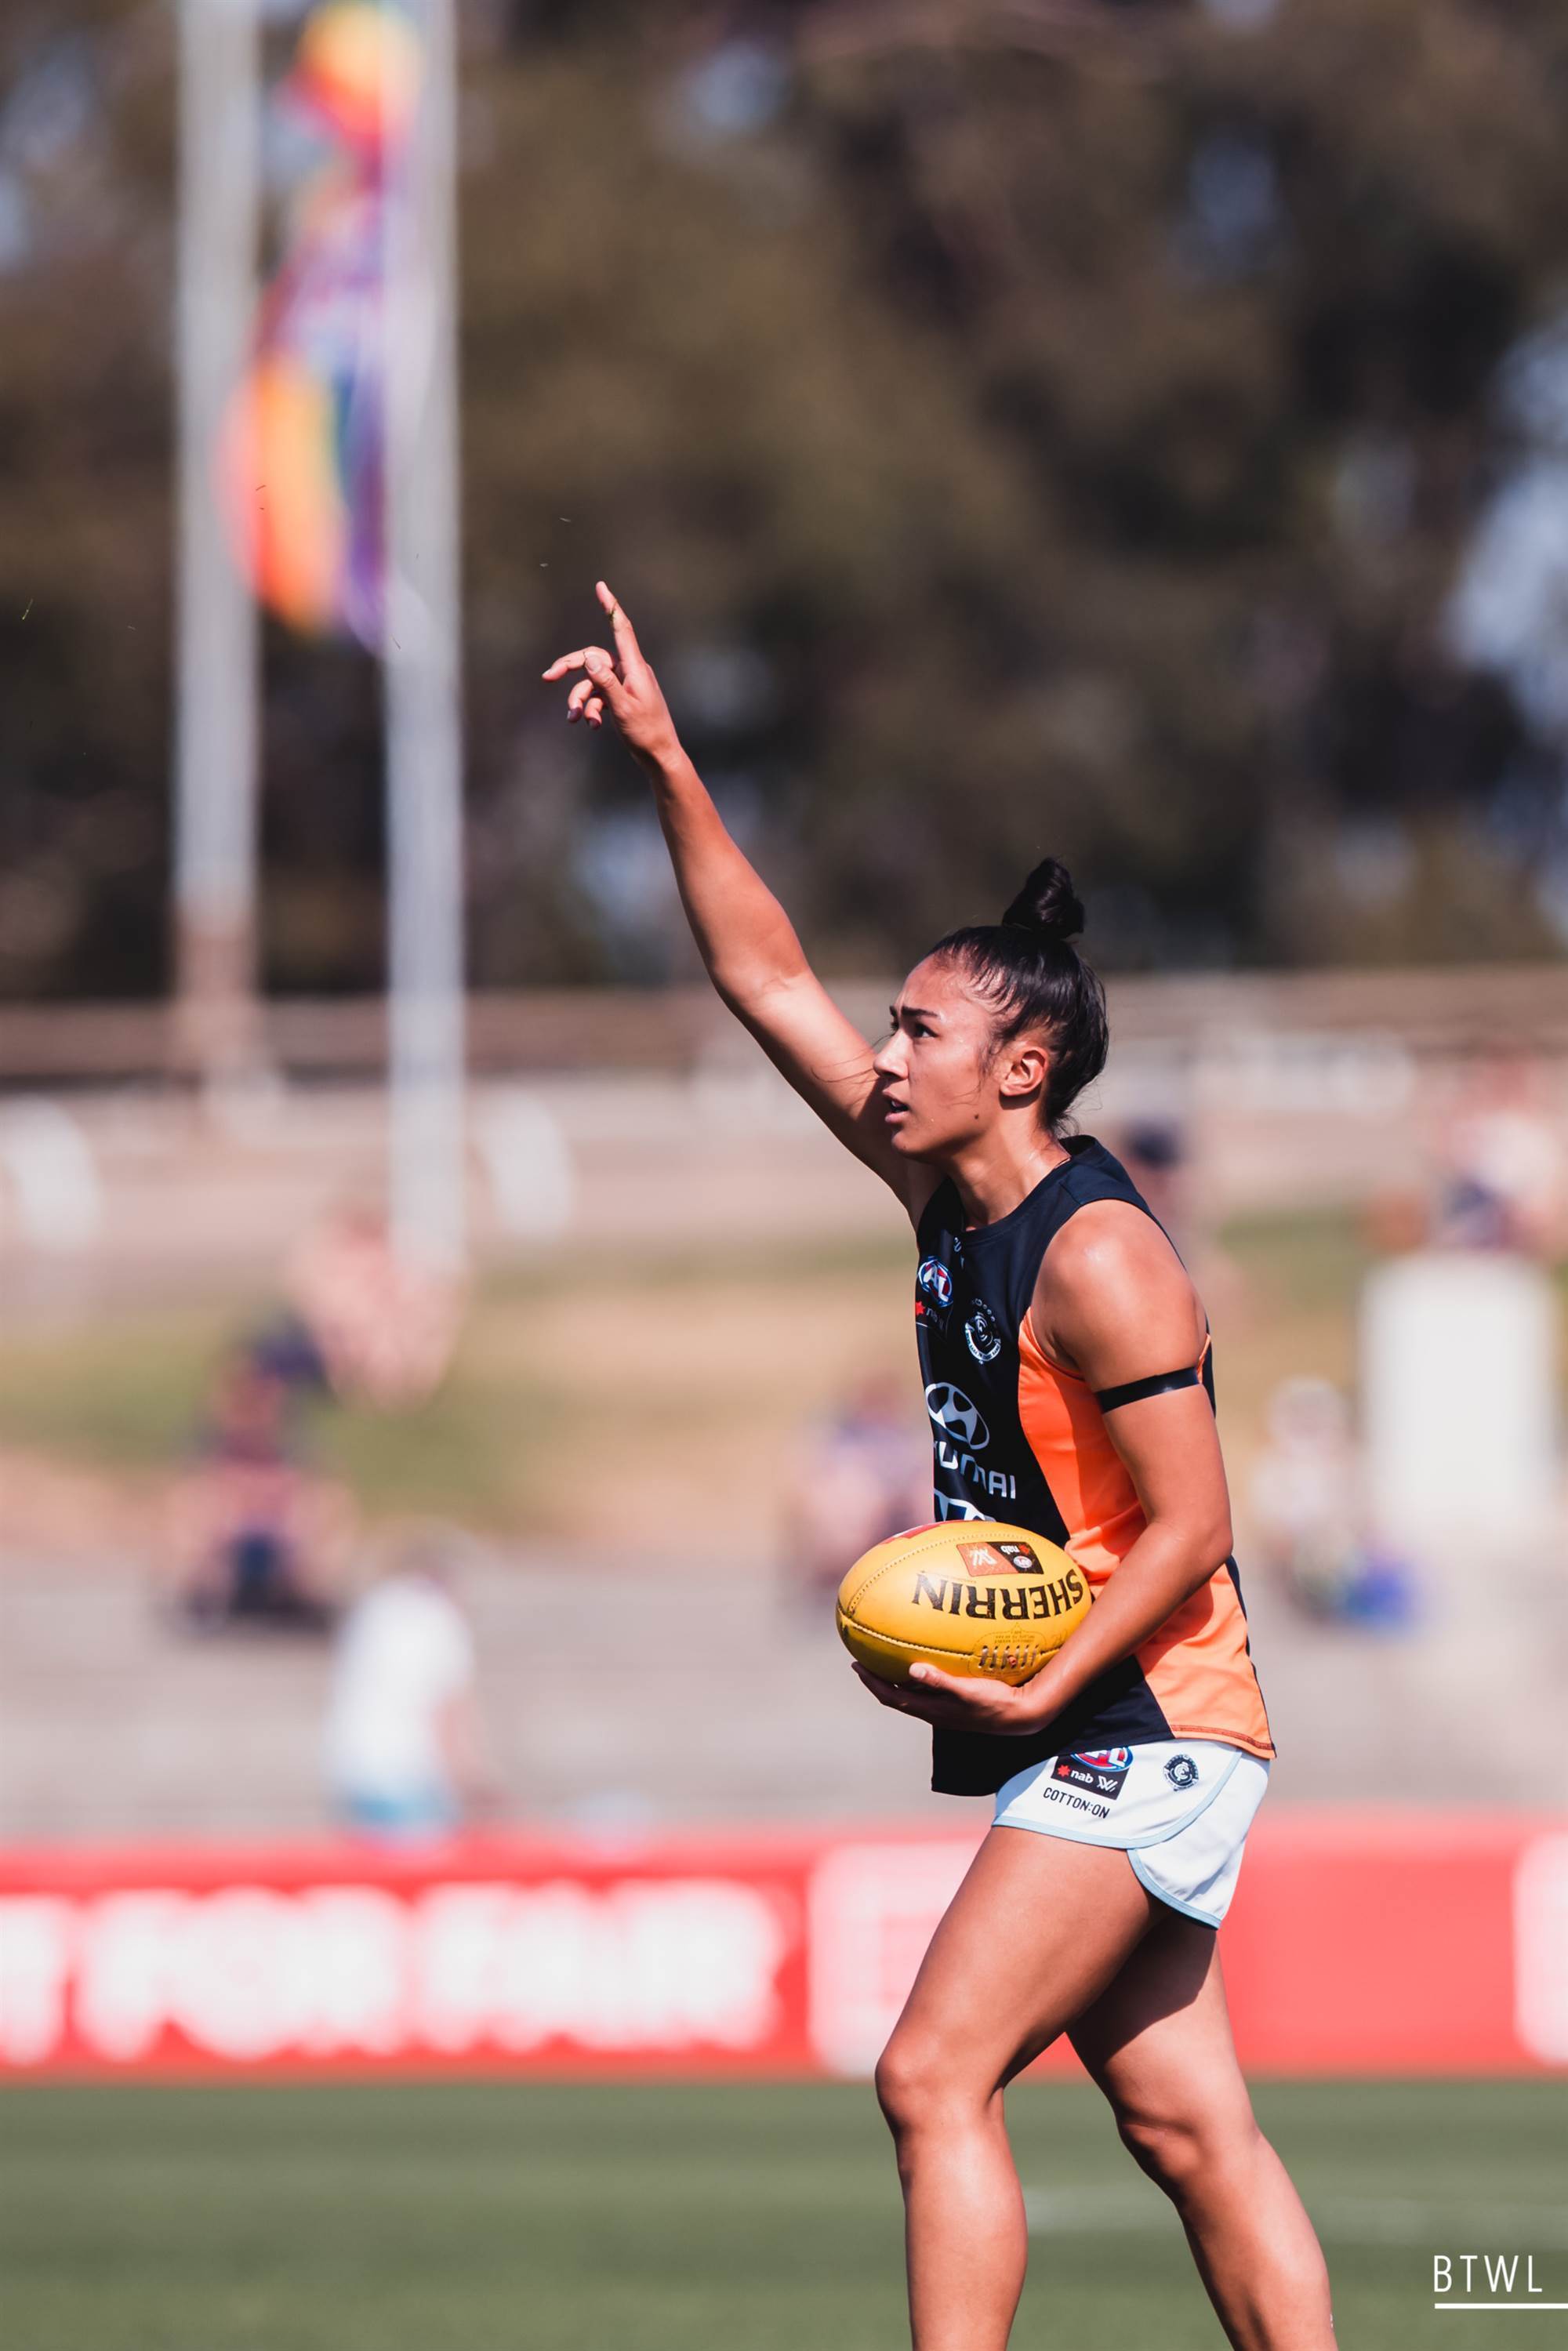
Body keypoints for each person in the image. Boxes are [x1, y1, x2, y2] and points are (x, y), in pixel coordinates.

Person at [545, 584, 1334, 2351]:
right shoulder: (934, 1186)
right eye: (890, 1025)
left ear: (1021, 1067)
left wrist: (1049, 1671)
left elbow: (1201, 1519)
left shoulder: (1101, 1252)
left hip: (1148, 1709)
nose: (884, 1052)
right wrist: (670, 756)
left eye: (919, 1032)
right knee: (1186, 2121)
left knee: (927, 2069)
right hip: (1090, 1711)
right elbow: (759, 971)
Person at [323, 1532, 493, 1839]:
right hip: (413, 1775)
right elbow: (447, 1712)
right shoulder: (439, 1619)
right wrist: (471, 1780)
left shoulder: (374, 1609)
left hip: (355, 1769)